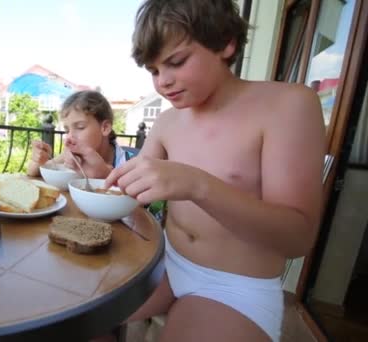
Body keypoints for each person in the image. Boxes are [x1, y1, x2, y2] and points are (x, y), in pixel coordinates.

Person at [101, 0, 326, 341]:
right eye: (154, 70)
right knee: (72, 317)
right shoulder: (167, 121)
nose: (163, 82)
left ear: (225, 43)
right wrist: (97, 172)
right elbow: (133, 193)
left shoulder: (287, 105)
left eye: (176, 62)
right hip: (166, 262)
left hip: (235, 287)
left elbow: (298, 237)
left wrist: (197, 185)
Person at [27, 90, 131, 178]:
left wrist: (105, 175)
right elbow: (33, 172)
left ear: (105, 128)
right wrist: (38, 160)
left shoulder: (130, 163)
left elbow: (137, 198)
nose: (70, 137)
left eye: (80, 127)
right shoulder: (71, 157)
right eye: (67, 130)